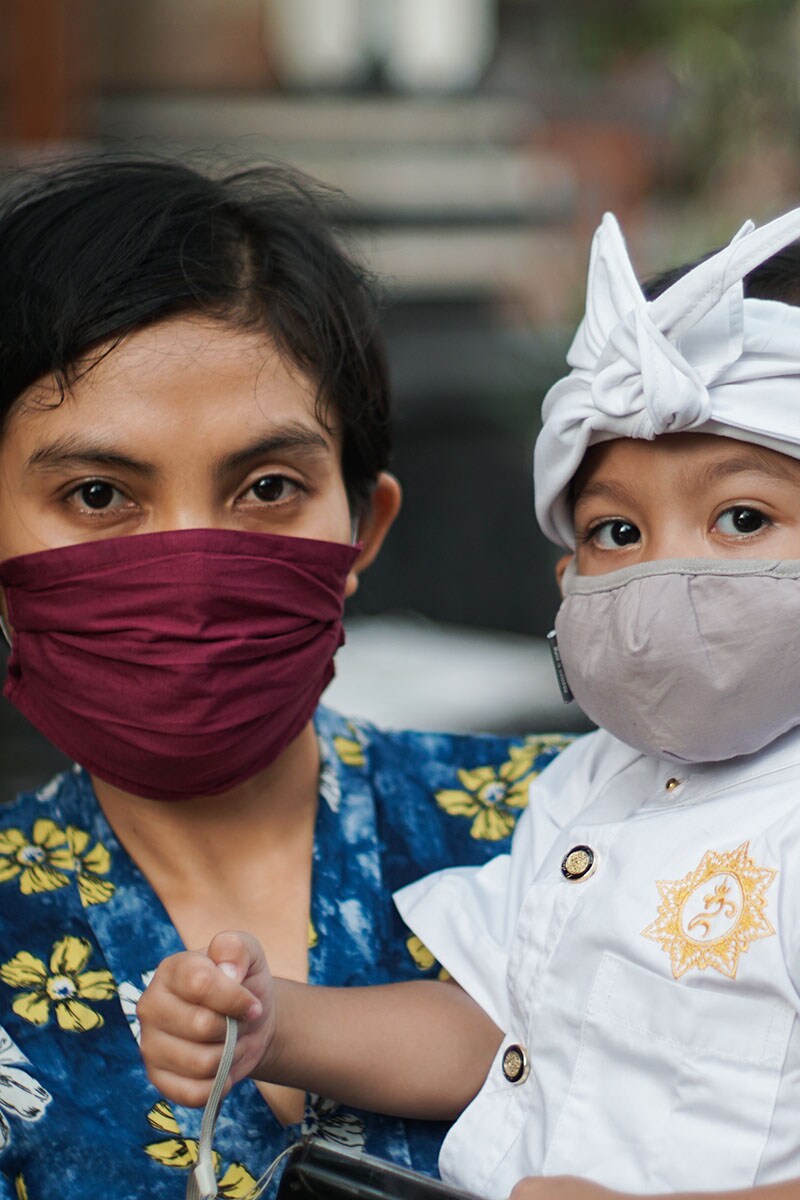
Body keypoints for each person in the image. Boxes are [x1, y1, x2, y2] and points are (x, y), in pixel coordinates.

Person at [140, 204, 800, 1200]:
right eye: (615, 532)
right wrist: (279, 1025)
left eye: (740, 517)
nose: (662, 572)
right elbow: (491, 1026)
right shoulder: (588, 788)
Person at [0, 155, 570, 1200]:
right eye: (98, 495)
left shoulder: (581, 840)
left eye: (266, 486)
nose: (192, 573)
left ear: (363, 530)